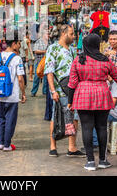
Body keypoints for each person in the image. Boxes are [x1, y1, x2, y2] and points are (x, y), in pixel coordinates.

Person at [67, 33, 117, 171]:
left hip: (83, 95)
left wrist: (70, 101)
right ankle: (103, 160)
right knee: (102, 128)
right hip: (102, 94)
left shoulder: (78, 60)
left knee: (86, 128)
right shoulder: (105, 60)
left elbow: (72, 83)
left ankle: (90, 161)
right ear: (98, 45)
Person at [44, 24, 84, 158]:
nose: (74, 37)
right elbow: (49, 71)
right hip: (59, 90)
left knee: (74, 118)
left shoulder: (72, 50)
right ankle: (53, 146)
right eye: (71, 34)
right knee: (56, 117)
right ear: (63, 33)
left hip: (73, 90)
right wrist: (53, 90)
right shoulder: (53, 48)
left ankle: (72, 147)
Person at [0, 32, 26, 151]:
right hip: (12, 94)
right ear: (14, 44)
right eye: (19, 43)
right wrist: (23, 93)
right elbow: (20, 78)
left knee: (2, 118)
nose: (20, 46)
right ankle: (7, 145)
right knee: (10, 119)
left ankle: (1, 143)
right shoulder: (17, 59)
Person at [31, 30, 49, 97]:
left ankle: (44, 92)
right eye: (47, 34)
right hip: (38, 62)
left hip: (46, 62)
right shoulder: (38, 41)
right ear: (43, 35)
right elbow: (35, 51)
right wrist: (45, 51)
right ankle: (33, 92)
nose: (48, 35)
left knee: (45, 78)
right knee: (37, 77)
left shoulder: (49, 42)